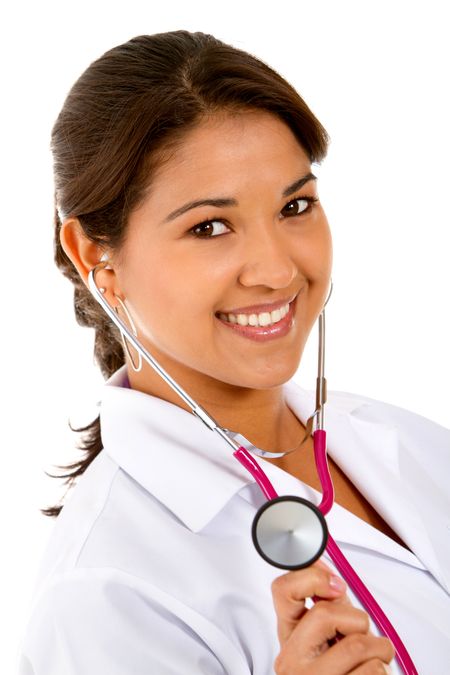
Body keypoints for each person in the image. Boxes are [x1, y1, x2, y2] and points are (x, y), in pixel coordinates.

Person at [17, 31, 450, 675]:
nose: (276, 271)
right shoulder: (103, 594)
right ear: (94, 257)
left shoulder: (412, 443)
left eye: (294, 205)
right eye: (209, 227)